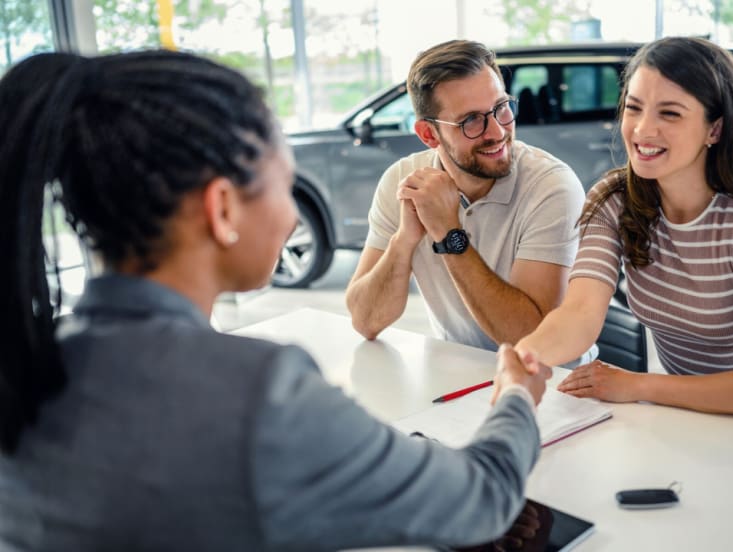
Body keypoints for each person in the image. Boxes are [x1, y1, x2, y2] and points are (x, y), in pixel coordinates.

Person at [0, 50, 554, 551]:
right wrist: (514, 399)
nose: (292, 218)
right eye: (282, 183)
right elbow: (481, 501)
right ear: (222, 209)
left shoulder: (29, 368)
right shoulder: (260, 393)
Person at [515, 36, 733, 430]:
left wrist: (637, 385)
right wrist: (525, 357)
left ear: (714, 129)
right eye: (633, 108)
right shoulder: (615, 198)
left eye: (670, 113)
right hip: (699, 413)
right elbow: (580, 313)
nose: (642, 129)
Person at [345, 40, 591, 364]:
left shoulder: (551, 187)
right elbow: (365, 321)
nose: (497, 131)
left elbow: (531, 339)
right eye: (471, 120)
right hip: (459, 376)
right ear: (429, 135)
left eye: (501, 107)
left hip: (550, 383)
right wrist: (404, 240)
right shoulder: (402, 180)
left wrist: (449, 233)